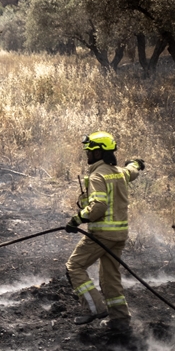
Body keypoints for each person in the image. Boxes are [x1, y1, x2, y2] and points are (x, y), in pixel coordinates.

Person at [64, 131, 144, 334]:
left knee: (74, 266)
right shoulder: (119, 172)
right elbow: (131, 171)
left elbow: (98, 207)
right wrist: (136, 163)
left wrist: (77, 219)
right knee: (110, 278)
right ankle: (120, 321)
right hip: (119, 235)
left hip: (102, 235)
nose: (87, 155)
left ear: (99, 152)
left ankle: (95, 308)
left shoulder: (98, 175)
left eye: (90, 151)